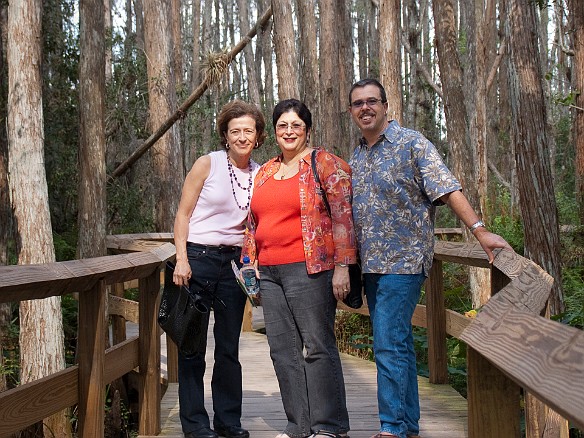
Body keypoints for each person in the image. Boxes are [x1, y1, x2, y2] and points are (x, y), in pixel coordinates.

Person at [347, 79, 513, 438]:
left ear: (386, 105)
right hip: (370, 265)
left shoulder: (412, 144)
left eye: (372, 101)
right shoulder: (357, 155)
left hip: (404, 262)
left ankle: (391, 428)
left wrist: (479, 230)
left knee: (387, 343)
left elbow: (447, 188)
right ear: (351, 111)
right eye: (358, 103)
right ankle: (407, 425)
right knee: (398, 342)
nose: (366, 108)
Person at [243, 99, 356, 438]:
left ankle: (329, 426)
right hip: (270, 273)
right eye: (282, 126)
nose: (289, 131)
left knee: (317, 345)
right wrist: (250, 267)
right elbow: (252, 224)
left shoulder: (323, 163)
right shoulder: (265, 171)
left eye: (296, 125)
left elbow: (343, 217)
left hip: (311, 269)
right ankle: (298, 424)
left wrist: (343, 267)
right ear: (274, 131)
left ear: (307, 129)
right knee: (282, 349)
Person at [172, 99, 266, 438]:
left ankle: (228, 422)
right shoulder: (207, 164)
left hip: (233, 266)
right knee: (192, 345)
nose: (242, 136)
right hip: (198, 259)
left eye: (248, 131)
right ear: (225, 135)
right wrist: (181, 259)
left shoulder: (261, 173)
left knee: (229, 347)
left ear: (257, 136)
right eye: (235, 131)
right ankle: (196, 425)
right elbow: (182, 215)